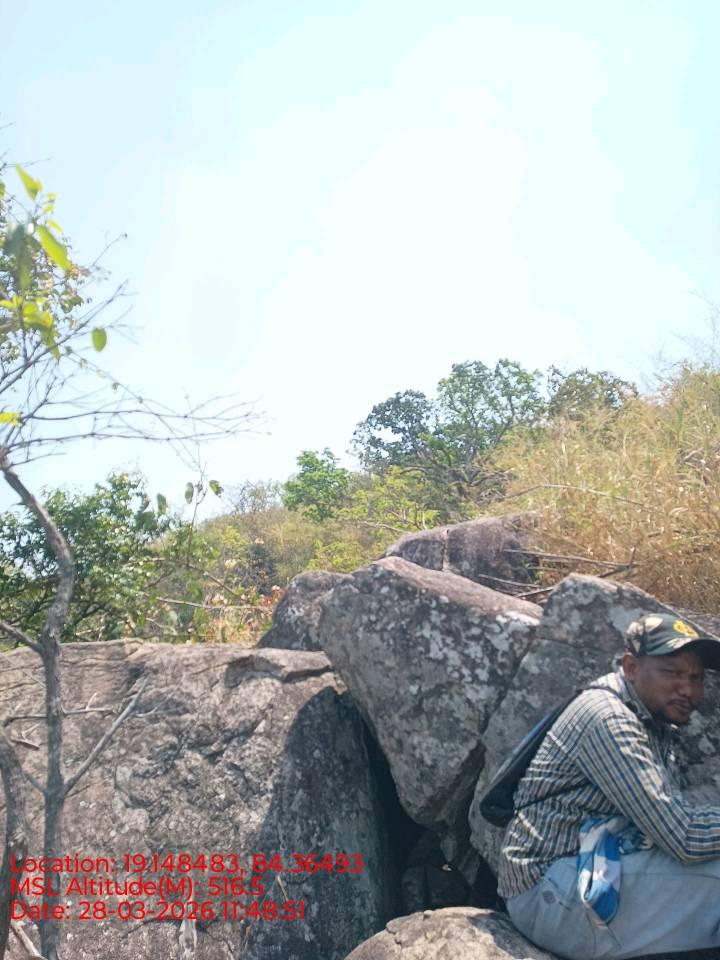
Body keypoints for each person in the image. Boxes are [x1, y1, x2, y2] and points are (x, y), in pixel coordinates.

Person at [498, 611, 720, 960]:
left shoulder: (650, 718)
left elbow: (676, 809)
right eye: (673, 673)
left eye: (696, 678)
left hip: (592, 865)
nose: (688, 690)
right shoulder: (608, 719)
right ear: (631, 667)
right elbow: (684, 837)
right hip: (549, 888)